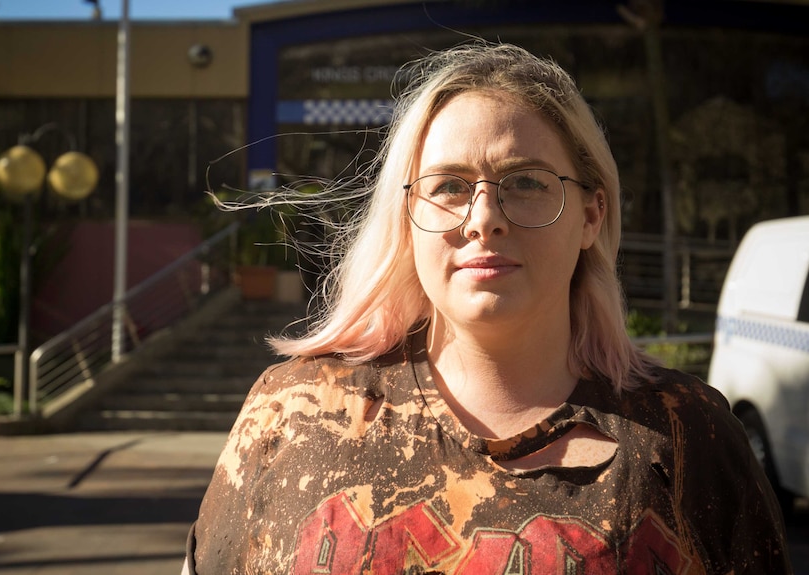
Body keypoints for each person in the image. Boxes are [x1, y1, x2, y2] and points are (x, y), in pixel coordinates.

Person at [183, 42, 792, 574]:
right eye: (448, 186)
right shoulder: (290, 414)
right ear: (407, 217)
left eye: (525, 181)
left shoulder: (691, 437)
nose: (484, 220)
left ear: (590, 215)